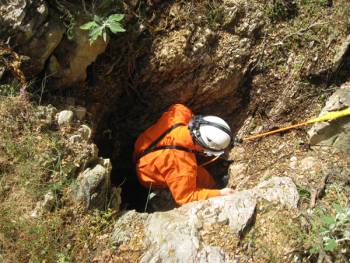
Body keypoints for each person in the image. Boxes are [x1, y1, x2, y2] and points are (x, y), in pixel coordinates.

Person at [133, 104, 235, 206]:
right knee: (200, 178)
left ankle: (213, 184)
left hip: (142, 149)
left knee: (200, 176)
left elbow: (177, 107)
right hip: (149, 177)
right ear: (201, 146)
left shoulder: (179, 116)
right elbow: (185, 197)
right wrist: (219, 193)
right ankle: (160, 197)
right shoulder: (182, 167)